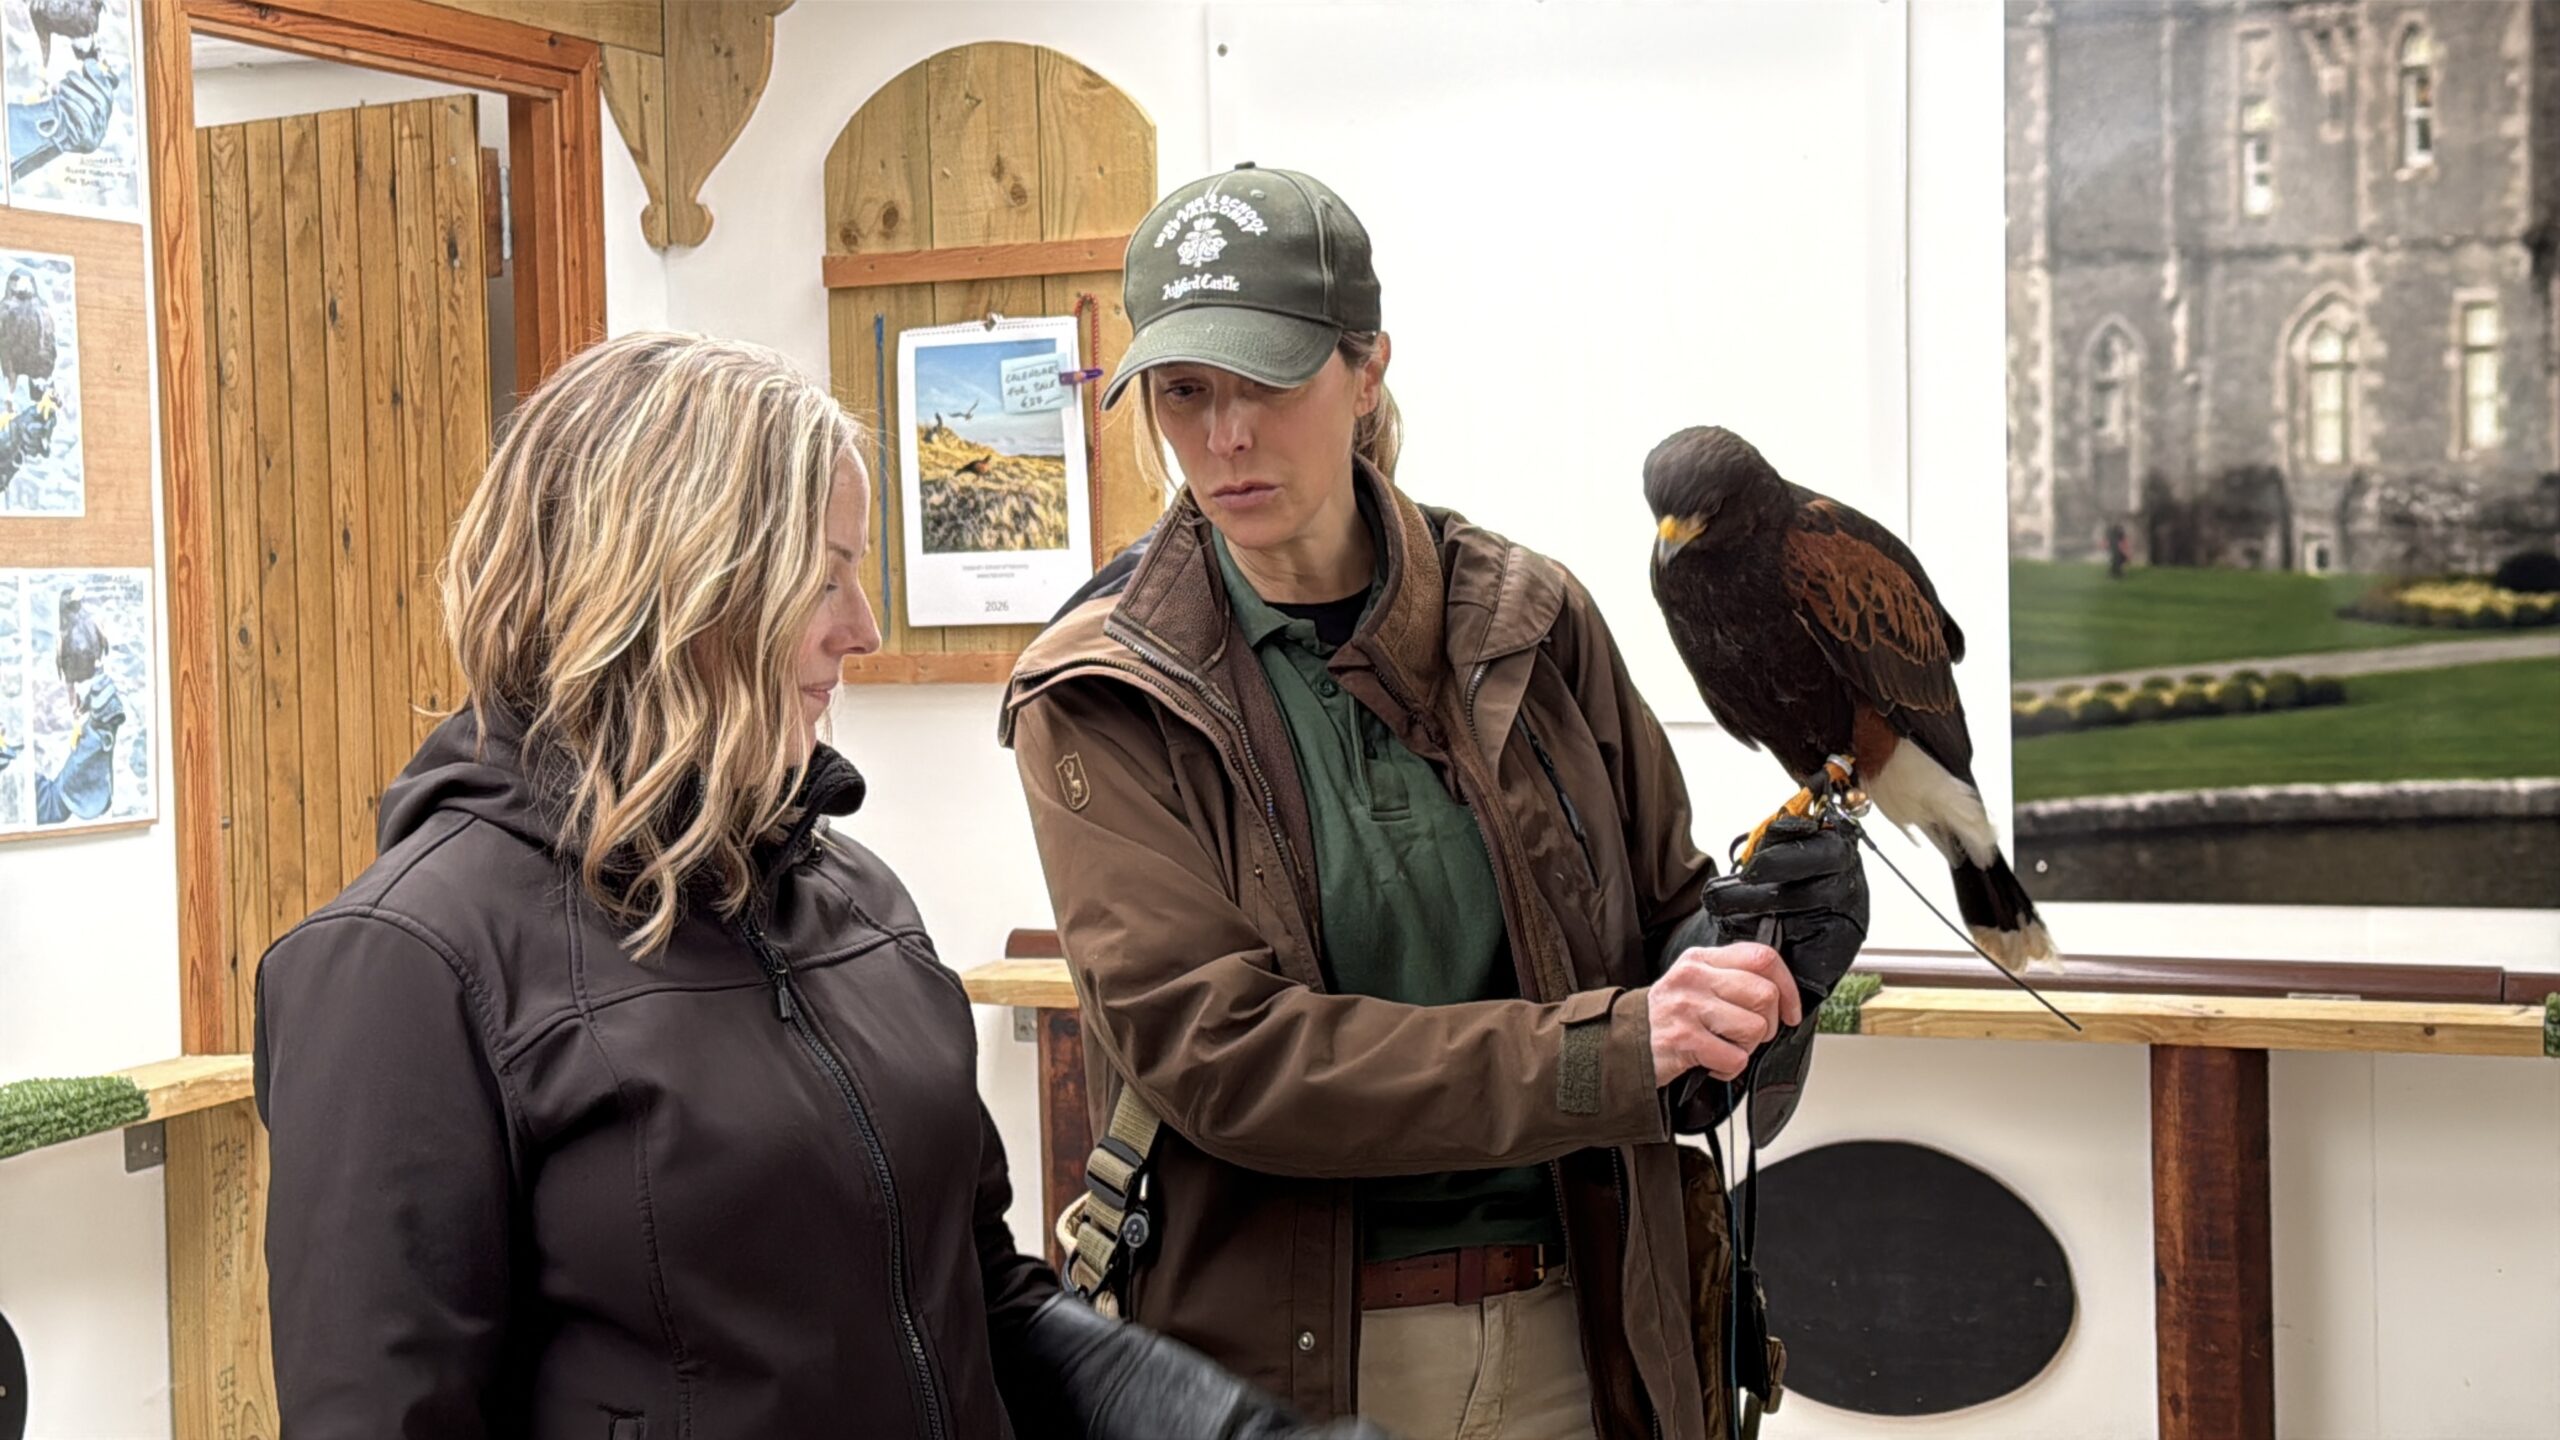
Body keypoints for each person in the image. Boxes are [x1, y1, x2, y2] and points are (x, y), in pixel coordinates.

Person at [252, 332, 1389, 1440]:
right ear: (668, 586)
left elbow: (986, 1307)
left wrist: (1240, 1430)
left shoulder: (860, 905)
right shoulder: (402, 965)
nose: (864, 629)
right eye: (824, 576)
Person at [1001, 168, 1865, 1440]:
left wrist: (1754, 953)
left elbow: (1659, 937)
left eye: (1267, 382)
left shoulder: (1532, 617)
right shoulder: (1102, 689)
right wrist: (1614, 1048)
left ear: (1366, 370)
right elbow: (1222, 1058)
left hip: (1587, 1334)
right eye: (1184, 392)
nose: (1225, 436)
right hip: (1293, 1374)